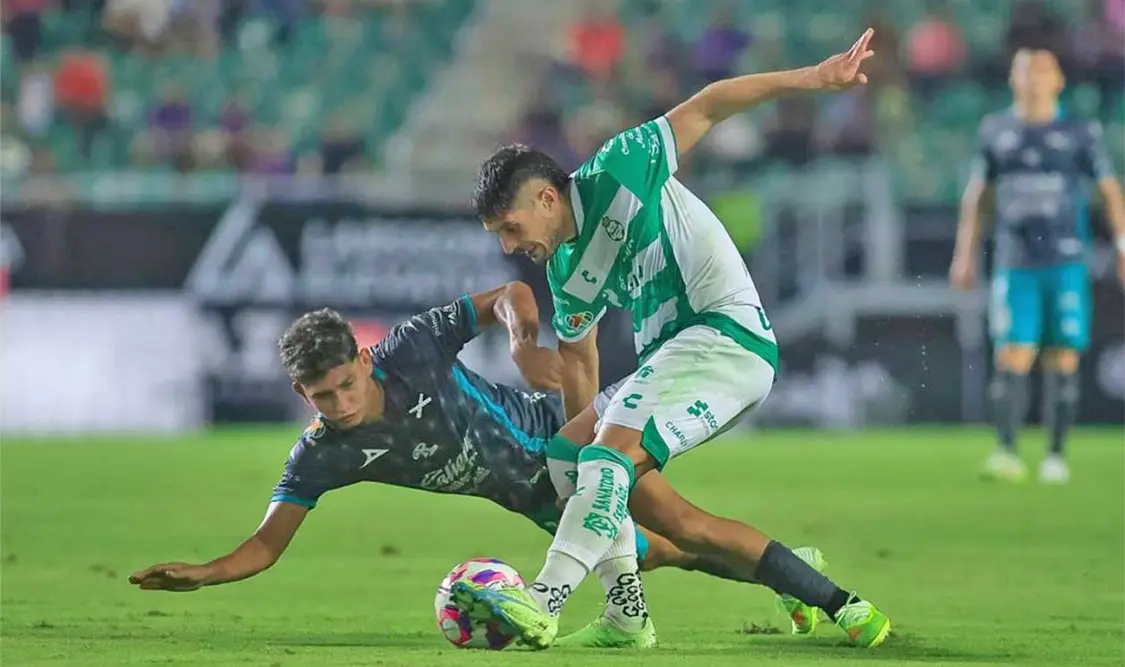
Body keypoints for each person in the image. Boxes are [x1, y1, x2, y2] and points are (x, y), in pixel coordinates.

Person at [454, 30, 891, 650]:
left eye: (510, 226)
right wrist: (591, 467)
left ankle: (543, 599)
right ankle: (820, 598)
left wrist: (815, 79)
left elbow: (710, 103)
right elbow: (581, 358)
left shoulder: (621, 165)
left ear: (547, 198)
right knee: (576, 464)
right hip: (676, 360)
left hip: (723, 337)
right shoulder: (563, 269)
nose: (507, 246)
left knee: (604, 460)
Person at [127, 282, 826, 642]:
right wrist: (204, 572)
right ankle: (792, 569)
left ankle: (798, 577)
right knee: (662, 550)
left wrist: (523, 341)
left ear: (363, 360)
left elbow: (510, 296)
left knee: (677, 524)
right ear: (299, 393)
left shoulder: (411, 348)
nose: (339, 403)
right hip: (532, 496)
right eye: (321, 395)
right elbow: (267, 543)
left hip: (566, 439)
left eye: (346, 383)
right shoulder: (322, 451)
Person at [950, 47, 1125, 484]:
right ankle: (1007, 451)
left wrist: (1122, 245)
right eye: (1024, 70)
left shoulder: (1080, 132)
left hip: (1066, 261)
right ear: (1012, 79)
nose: (1032, 79)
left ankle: (1056, 456)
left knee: (1063, 357)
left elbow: (1108, 191)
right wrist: (964, 254)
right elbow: (978, 198)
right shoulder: (996, 131)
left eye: (1041, 70)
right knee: (1012, 354)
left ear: (1058, 79)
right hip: (1015, 262)